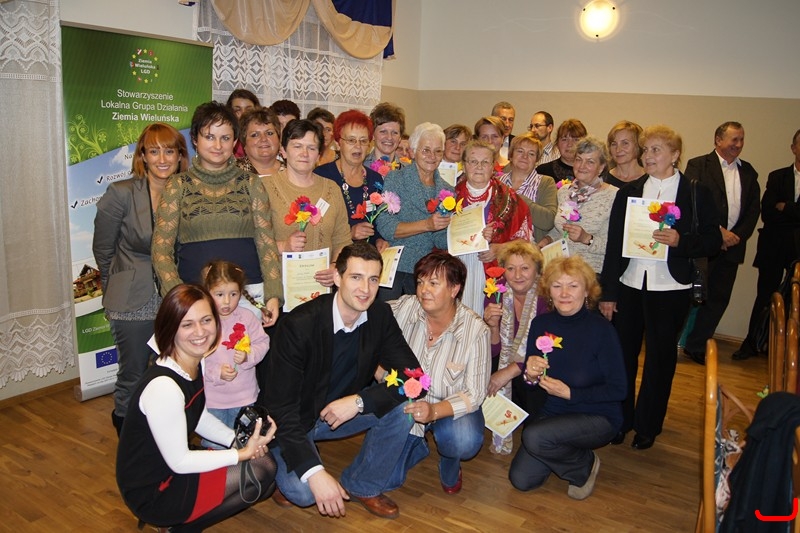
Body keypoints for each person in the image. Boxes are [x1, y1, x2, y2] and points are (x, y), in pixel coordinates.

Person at [262, 242, 421, 519]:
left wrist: (360, 402)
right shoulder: (299, 325)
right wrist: (315, 472)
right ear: (337, 277)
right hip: (292, 421)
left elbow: (417, 378)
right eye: (356, 277)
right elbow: (281, 409)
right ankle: (276, 465)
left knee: (404, 408)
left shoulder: (380, 315)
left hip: (337, 413)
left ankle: (363, 484)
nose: (365, 289)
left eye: (373, 279)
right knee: (304, 493)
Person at [116, 284, 277, 531]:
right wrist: (240, 454)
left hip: (168, 468)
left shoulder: (193, 360)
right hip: (155, 489)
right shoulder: (164, 386)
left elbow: (197, 415)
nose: (200, 332)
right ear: (170, 328)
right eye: (187, 324)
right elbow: (180, 461)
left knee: (265, 470)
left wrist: (236, 441)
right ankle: (179, 528)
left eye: (206, 320)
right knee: (261, 470)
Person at [600, 125, 722, 450]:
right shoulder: (630, 192)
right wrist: (609, 293)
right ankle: (621, 420)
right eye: (646, 150)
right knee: (623, 356)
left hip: (671, 287)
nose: (648, 155)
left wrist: (681, 241)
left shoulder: (695, 192)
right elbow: (614, 245)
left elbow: (712, 240)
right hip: (629, 283)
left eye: (656, 150)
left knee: (660, 358)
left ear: (675, 154)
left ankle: (648, 425)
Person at [93, 123, 189, 435]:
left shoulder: (187, 193)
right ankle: (129, 439)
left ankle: (167, 438)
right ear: (142, 156)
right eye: (154, 151)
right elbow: (103, 250)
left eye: (169, 151)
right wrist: (115, 291)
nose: (162, 158)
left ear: (180, 156)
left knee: (171, 374)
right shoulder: (121, 194)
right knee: (133, 374)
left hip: (173, 297)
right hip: (132, 300)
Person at [151, 101, 282, 326]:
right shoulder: (177, 186)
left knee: (249, 350)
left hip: (249, 296)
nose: (218, 145)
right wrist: (178, 295)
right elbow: (161, 249)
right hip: (195, 297)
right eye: (209, 137)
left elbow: (266, 243)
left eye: (225, 138)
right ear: (195, 139)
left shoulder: (251, 183)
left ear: (235, 141)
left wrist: (273, 295)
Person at [509, 256, 626, 500]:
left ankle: (584, 466)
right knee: (521, 480)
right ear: (548, 291)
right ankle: (565, 450)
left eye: (573, 286)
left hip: (597, 415)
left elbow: (619, 389)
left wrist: (571, 393)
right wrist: (530, 376)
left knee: (534, 437)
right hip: (554, 412)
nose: (564, 293)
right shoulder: (541, 324)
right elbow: (531, 386)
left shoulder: (602, 330)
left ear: (587, 291)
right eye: (557, 285)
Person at [388, 250, 490, 495]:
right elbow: (368, 317)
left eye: (433, 283)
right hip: (407, 405)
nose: (424, 290)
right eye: (420, 282)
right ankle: (418, 445)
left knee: (463, 441)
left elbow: (475, 394)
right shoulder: (406, 307)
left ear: (454, 289)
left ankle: (449, 458)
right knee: (388, 480)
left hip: (449, 407)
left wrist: (433, 411)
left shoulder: (476, 330)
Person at [682, 122, 760, 364]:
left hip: (732, 248)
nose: (738, 144)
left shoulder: (748, 171)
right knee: (689, 296)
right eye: (734, 139)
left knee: (717, 299)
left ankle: (696, 346)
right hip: (704, 245)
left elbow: (753, 209)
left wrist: (736, 236)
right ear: (718, 140)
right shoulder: (698, 165)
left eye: (741, 139)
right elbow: (691, 201)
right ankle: (668, 342)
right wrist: (718, 233)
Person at [732, 128, 800, 361]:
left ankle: (786, 351)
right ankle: (752, 343)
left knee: (795, 301)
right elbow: (769, 212)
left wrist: (787, 207)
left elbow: (781, 210)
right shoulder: (777, 176)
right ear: (793, 148)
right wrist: (790, 211)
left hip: (798, 250)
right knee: (765, 296)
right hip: (774, 246)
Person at [261, 119, 352, 289]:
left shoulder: (332, 189)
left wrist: (335, 266)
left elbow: (342, 239)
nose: (304, 153)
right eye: (297, 146)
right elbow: (254, 240)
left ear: (318, 156)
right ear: (283, 151)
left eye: (311, 148)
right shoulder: (264, 188)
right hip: (278, 289)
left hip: (321, 290)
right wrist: (283, 246)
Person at [484, 241, 550, 454]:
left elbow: (546, 351)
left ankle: (533, 419)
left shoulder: (547, 297)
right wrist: (492, 327)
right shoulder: (496, 293)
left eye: (525, 268)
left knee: (530, 378)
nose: (518, 275)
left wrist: (507, 372)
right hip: (507, 359)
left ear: (537, 271)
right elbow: (494, 351)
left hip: (540, 364)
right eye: (511, 268)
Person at [374, 122, 453, 299]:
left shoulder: (447, 191)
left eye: (438, 151)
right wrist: (427, 225)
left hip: (427, 273)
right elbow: (386, 226)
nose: (432, 156)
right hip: (395, 268)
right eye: (426, 150)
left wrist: (461, 231)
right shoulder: (396, 178)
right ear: (413, 151)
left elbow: (441, 241)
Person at [455, 139, 532, 316]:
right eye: (473, 161)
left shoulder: (509, 198)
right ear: (464, 165)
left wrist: (500, 248)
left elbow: (526, 241)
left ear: (492, 167)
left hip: (492, 269)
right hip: (457, 268)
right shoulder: (450, 196)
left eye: (485, 162)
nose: (479, 167)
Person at [200, 260, 270, 449]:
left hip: (244, 396)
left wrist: (248, 356)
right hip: (212, 399)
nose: (227, 301)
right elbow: (194, 360)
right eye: (219, 294)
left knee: (243, 442)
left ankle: (240, 469)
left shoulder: (247, 317)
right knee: (214, 444)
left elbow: (263, 342)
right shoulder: (202, 322)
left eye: (233, 294)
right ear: (207, 292)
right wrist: (216, 372)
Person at [540, 136, 618, 274]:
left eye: (590, 162)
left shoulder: (614, 196)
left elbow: (616, 246)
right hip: (560, 269)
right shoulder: (564, 191)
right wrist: (547, 240)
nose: (582, 166)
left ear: (601, 167)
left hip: (590, 273)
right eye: (578, 159)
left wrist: (586, 238)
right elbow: (560, 230)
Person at [316, 110, 388, 251]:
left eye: (363, 141)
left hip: (367, 257)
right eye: (351, 140)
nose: (358, 146)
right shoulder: (322, 176)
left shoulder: (375, 179)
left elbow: (378, 222)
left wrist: (379, 239)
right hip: (334, 256)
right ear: (338, 143)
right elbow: (316, 227)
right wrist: (349, 234)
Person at [499, 131, 558, 242]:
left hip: (531, 248)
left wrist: (518, 198)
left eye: (531, 154)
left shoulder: (546, 183)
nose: (525, 156)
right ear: (511, 155)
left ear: (537, 159)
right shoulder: (497, 182)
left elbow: (548, 221)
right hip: (499, 247)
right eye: (520, 151)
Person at [536, 118, 588, 187]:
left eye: (576, 139)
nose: (570, 144)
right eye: (564, 139)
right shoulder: (542, 172)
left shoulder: (594, 171)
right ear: (557, 143)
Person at [236, 107, 284, 178]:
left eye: (269, 133)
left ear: (279, 139)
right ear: (244, 142)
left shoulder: (293, 171)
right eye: (255, 135)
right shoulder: (231, 173)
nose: (263, 139)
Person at [605, 120, 646, 189]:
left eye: (625, 143)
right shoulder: (603, 180)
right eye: (614, 144)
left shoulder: (651, 179)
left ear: (638, 145)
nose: (618, 150)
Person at [365, 102, 406, 168]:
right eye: (383, 132)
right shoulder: (360, 167)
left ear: (400, 138)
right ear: (372, 135)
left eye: (394, 133)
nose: (389, 137)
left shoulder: (408, 170)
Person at [226, 89, 261, 158]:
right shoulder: (226, 139)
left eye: (249, 110)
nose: (243, 114)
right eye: (238, 110)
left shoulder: (264, 137)